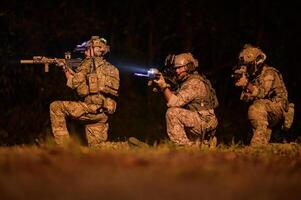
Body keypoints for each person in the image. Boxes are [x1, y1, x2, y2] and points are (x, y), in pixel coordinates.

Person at [50, 36, 120, 147]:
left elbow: (73, 83)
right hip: (103, 112)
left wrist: (64, 68)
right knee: (98, 148)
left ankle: (63, 147)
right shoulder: (112, 68)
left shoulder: (87, 64)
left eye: (87, 50)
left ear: (94, 50)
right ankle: (126, 146)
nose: (85, 53)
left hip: (90, 108)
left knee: (56, 107)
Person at [232, 44, 294, 146]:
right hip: (267, 109)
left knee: (255, 109)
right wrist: (243, 86)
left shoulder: (270, 73)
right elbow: (246, 98)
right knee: (249, 110)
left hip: (279, 108)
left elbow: (261, 92)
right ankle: (266, 143)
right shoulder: (254, 77)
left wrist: (247, 84)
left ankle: (257, 143)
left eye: (249, 65)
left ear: (257, 62)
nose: (247, 68)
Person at [153, 53, 219, 146]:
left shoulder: (195, 83)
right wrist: (161, 87)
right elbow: (173, 96)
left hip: (204, 123)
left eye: (180, 68)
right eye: (176, 68)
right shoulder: (184, 82)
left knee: (172, 113)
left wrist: (164, 86)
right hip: (199, 120)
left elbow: (174, 102)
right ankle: (203, 144)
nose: (177, 71)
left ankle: (184, 146)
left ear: (189, 67)